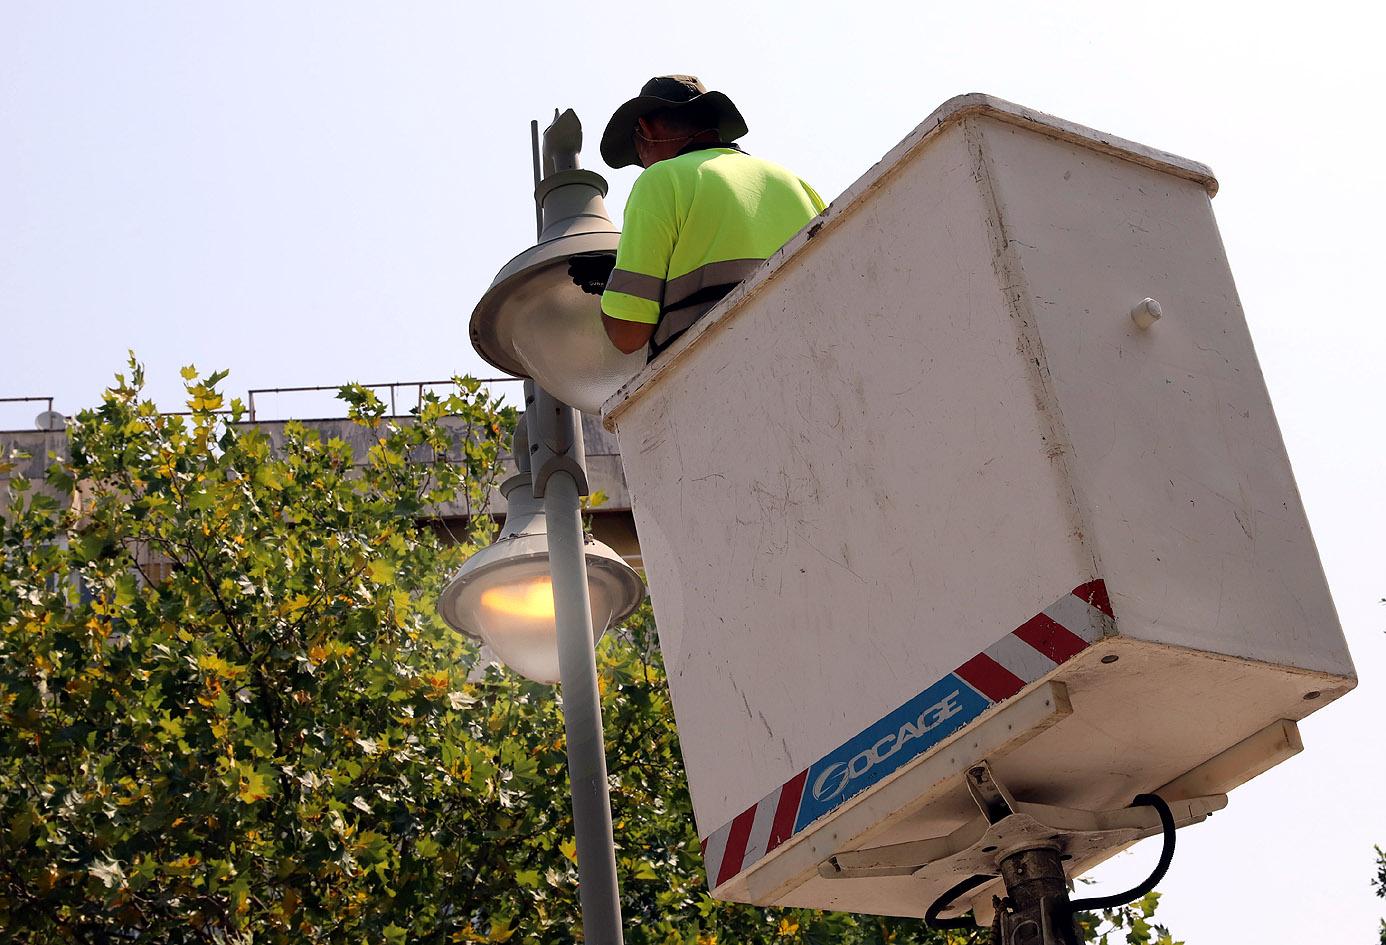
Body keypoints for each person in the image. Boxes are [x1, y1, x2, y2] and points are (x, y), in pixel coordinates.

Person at [569, 75, 826, 360]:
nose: (643, 164)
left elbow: (628, 333)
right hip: (814, 356)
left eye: (637, 151)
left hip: (722, 374)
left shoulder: (662, 179)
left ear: (646, 130)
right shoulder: (795, 183)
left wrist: (618, 294)